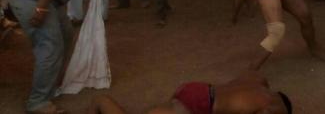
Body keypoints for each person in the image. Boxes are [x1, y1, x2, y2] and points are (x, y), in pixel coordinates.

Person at [8, 0, 126, 114]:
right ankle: (37, 102)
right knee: (51, 47)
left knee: (66, 35)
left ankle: (52, 81)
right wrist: (41, 8)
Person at [88, 71, 292, 114]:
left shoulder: (259, 82)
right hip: (202, 103)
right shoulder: (272, 107)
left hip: (198, 89)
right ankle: (101, 101)